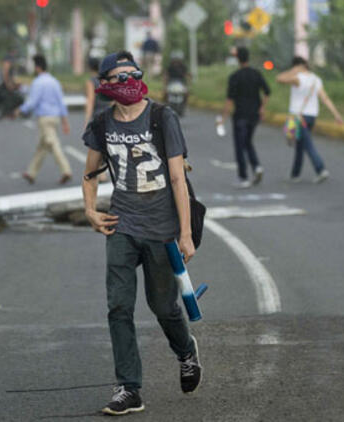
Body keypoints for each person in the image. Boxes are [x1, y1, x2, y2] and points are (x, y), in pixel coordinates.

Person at [82, 51, 202, 416]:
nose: (128, 81)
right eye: (119, 77)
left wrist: (185, 234)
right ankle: (129, 388)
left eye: (133, 74)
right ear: (106, 85)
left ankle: (185, 351)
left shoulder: (163, 117)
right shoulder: (102, 124)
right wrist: (90, 211)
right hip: (122, 225)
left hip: (162, 229)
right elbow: (90, 174)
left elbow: (179, 178)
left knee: (163, 306)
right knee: (118, 306)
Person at [277, 56, 344, 183]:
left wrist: (293, 71)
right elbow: (325, 98)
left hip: (297, 116)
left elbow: (279, 79)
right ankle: (295, 174)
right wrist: (336, 114)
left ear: (297, 66)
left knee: (307, 144)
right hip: (311, 116)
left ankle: (320, 169)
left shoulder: (297, 78)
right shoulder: (315, 79)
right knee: (300, 145)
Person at [20, 54, 72, 185]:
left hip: (44, 118)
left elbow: (32, 102)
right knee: (42, 146)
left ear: (37, 67)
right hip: (55, 118)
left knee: (53, 143)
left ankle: (66, 170)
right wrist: (65, 121)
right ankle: (31, 173)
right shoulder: (55, 81)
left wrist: (20, 110)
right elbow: (61, 102)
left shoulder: (38, 83)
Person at [222, 46, 270, 188]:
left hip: (240, 116)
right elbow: (267, 92)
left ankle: (243, 177)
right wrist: (262, 108)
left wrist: (223, 117)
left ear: (238, 59)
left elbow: (229, 100)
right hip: (254, 115)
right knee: (248, 142)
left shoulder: (235, 77)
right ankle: (256, 167)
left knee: (240, 146)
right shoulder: (256, 74)